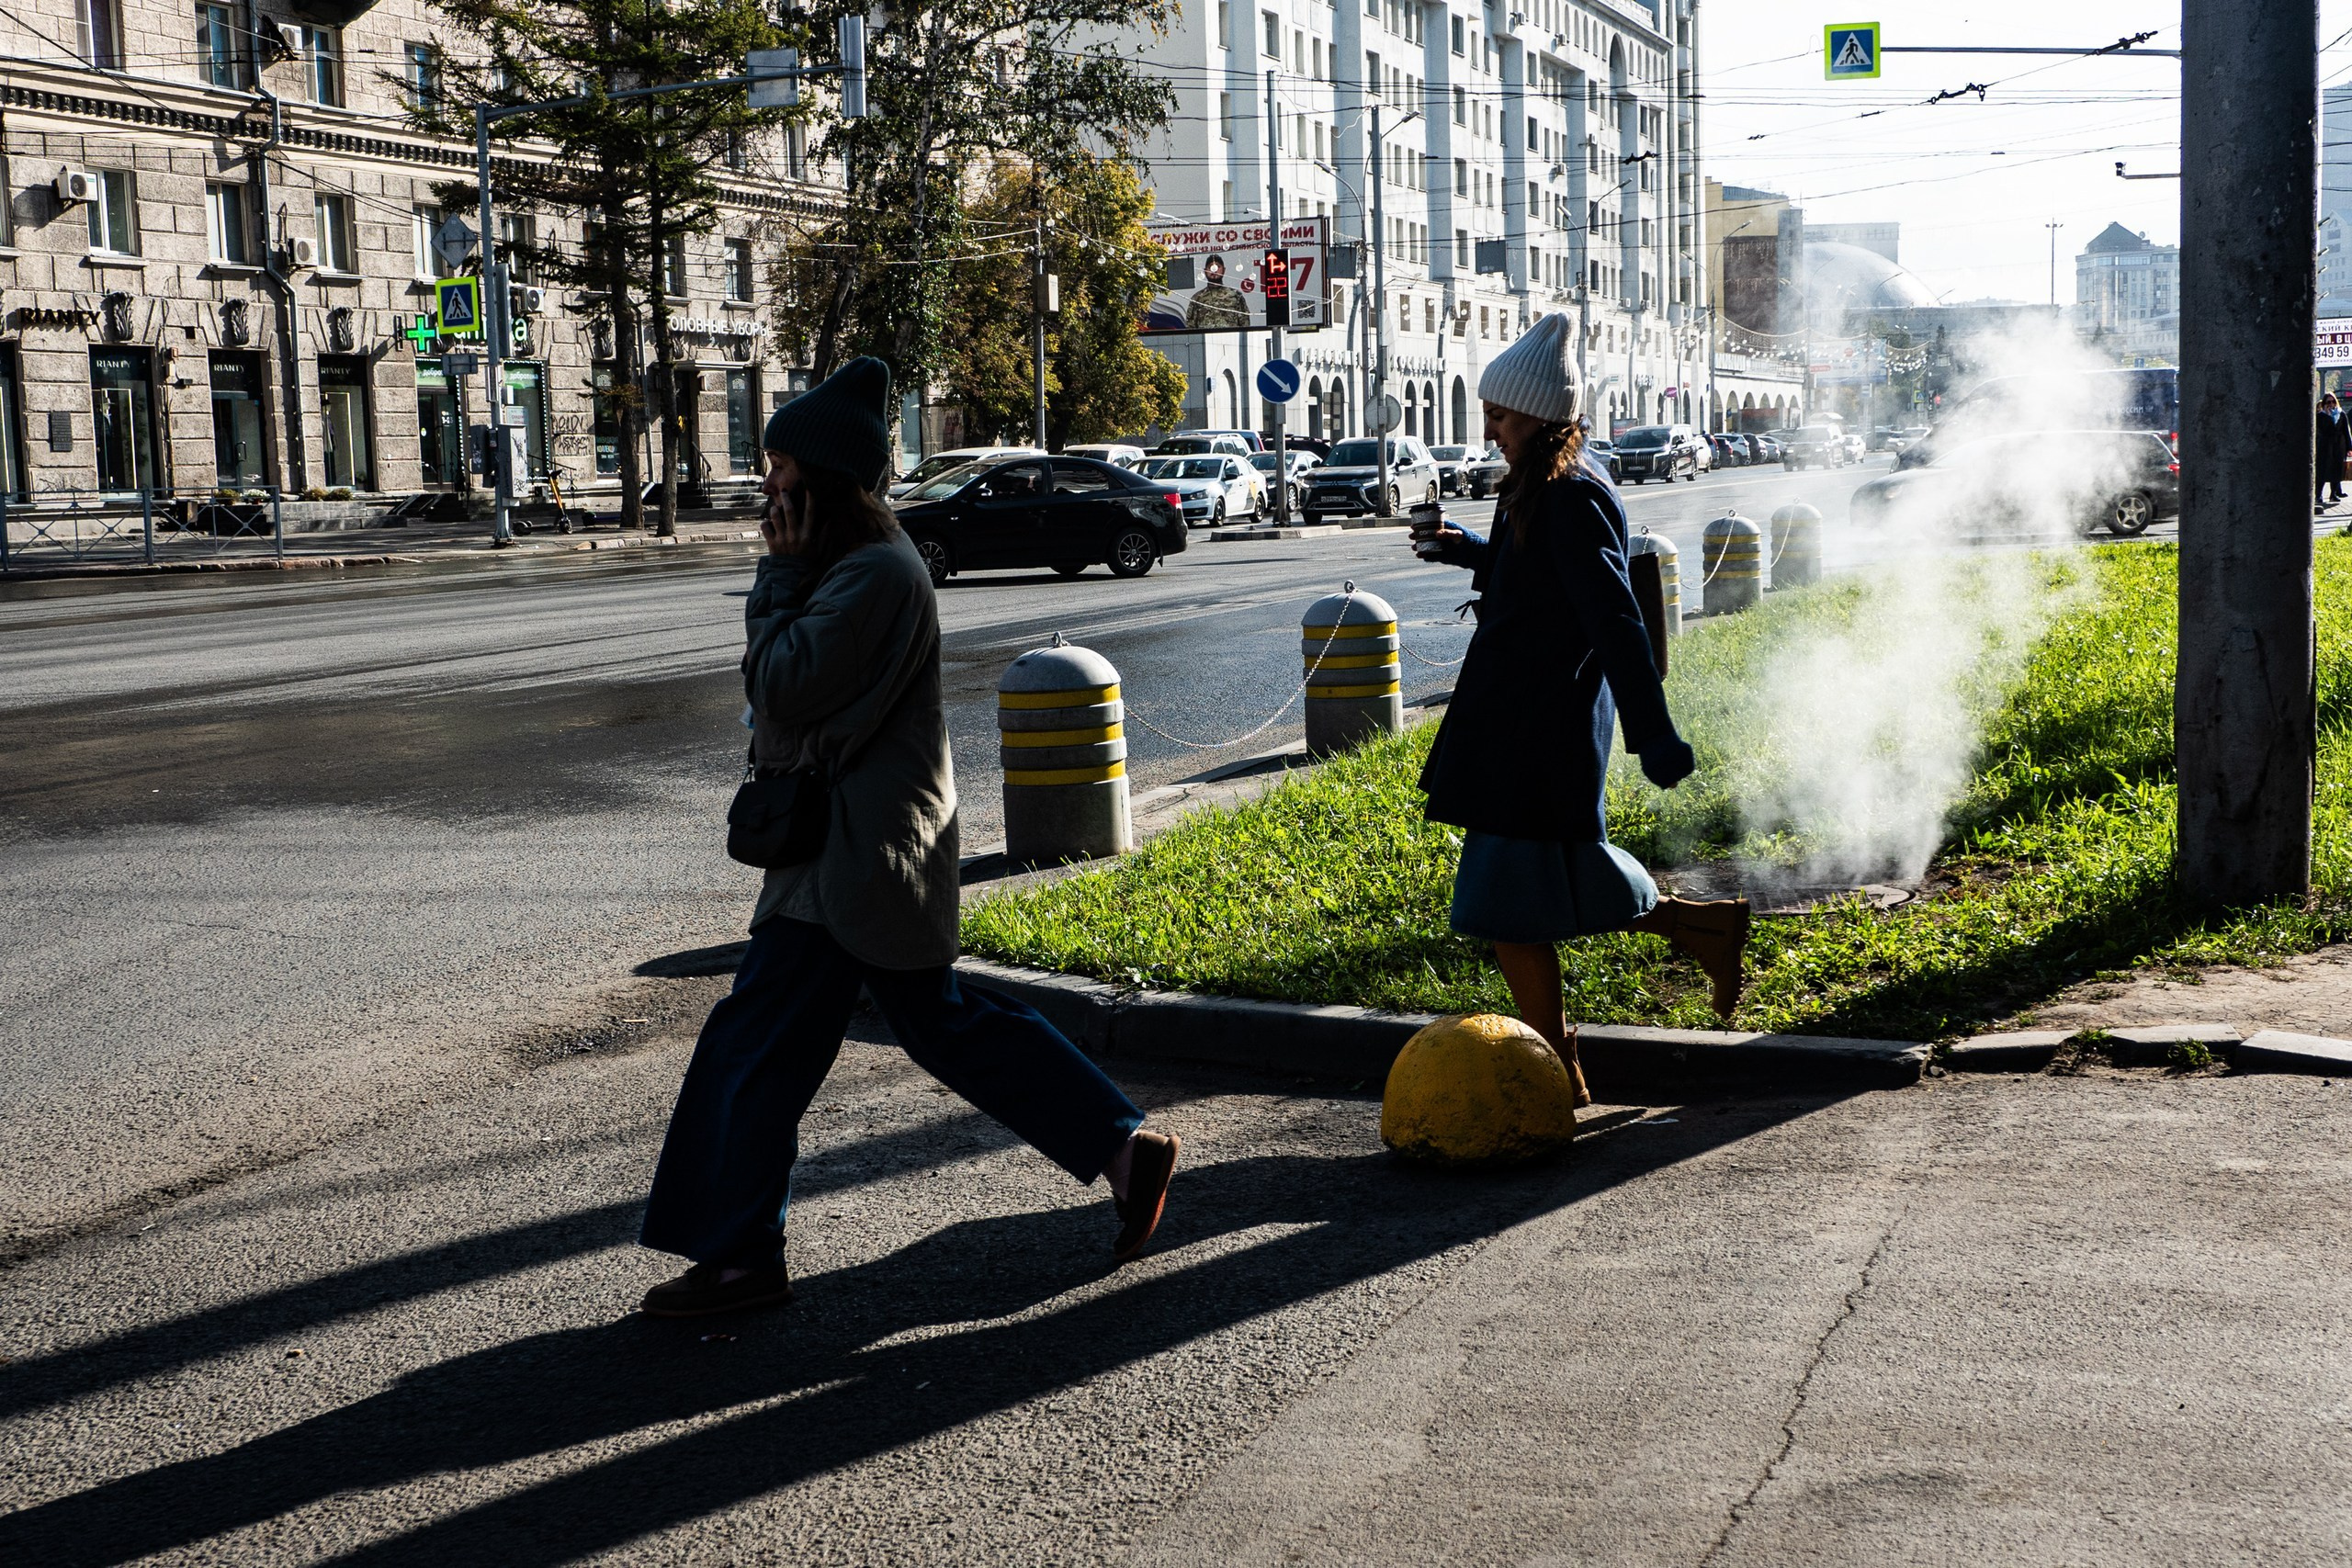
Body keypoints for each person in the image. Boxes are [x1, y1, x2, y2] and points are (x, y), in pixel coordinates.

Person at [638, 357, 1179, 1317]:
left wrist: (773, 577)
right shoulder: (854, 566)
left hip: (854, 859)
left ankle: (739, 1257)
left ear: (825, 480)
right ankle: (1120, 1146)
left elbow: (787, 688)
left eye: (781, 468)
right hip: (849, 855)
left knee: (754, 1052)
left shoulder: (872, 571)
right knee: (932, 1026)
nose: (769, 487)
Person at [1409, 313, 1751, 1106]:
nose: (1489, 428)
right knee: (1560, 877)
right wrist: (1470, 550)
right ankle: (1705, 930)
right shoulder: (1542, 482)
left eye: (1499, 415)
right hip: (1520, 716)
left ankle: (1559, 1073)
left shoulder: (1569, 494)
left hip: (1542, 723)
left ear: (1538, 414)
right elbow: (1537, 579)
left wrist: (1653, 733)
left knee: (1507, 907)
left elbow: (1613, 619)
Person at [2316, 393, 2348, 512]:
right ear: (2324, 404)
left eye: (2332, 402)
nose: (2331, 404)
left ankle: (2333, 493)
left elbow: (2346, 431)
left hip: (2339, 446)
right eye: (2328, 402)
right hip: (2325, 446)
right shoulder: (2320, 416)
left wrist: (2349, 447)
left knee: (2337, 470)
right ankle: (2318, 495)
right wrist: (2328, 417)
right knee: (2323, 470)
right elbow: (2321, 431)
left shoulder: (2341, 414)